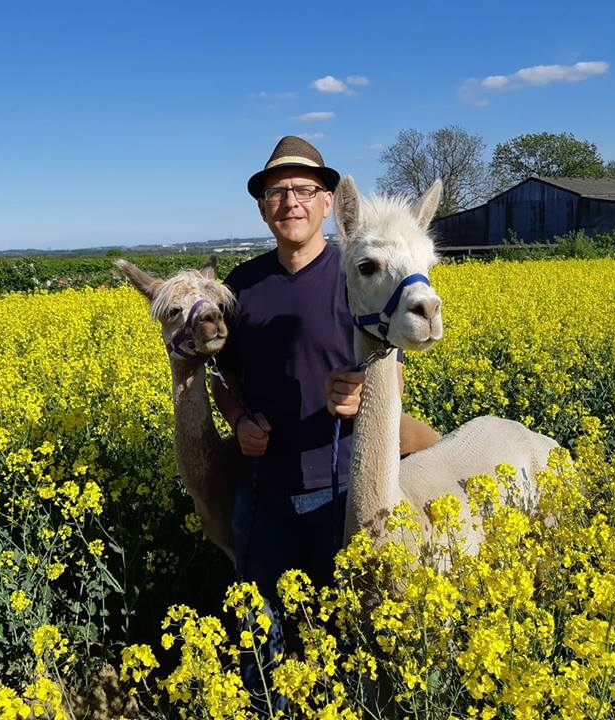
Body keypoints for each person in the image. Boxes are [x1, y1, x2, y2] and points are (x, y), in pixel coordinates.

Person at [211, 136, 439, 702]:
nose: (290, 200)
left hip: (341, 492)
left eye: (305, 190)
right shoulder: (241, 286)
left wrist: (365, 395)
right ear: (263, 205)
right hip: (262, 491)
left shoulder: (363, 273)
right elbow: (224, 379)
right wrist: (237, 418)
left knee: (340, 639)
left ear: (328, 203)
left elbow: (390, 373)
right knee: (262, 645)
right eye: (277, 190)